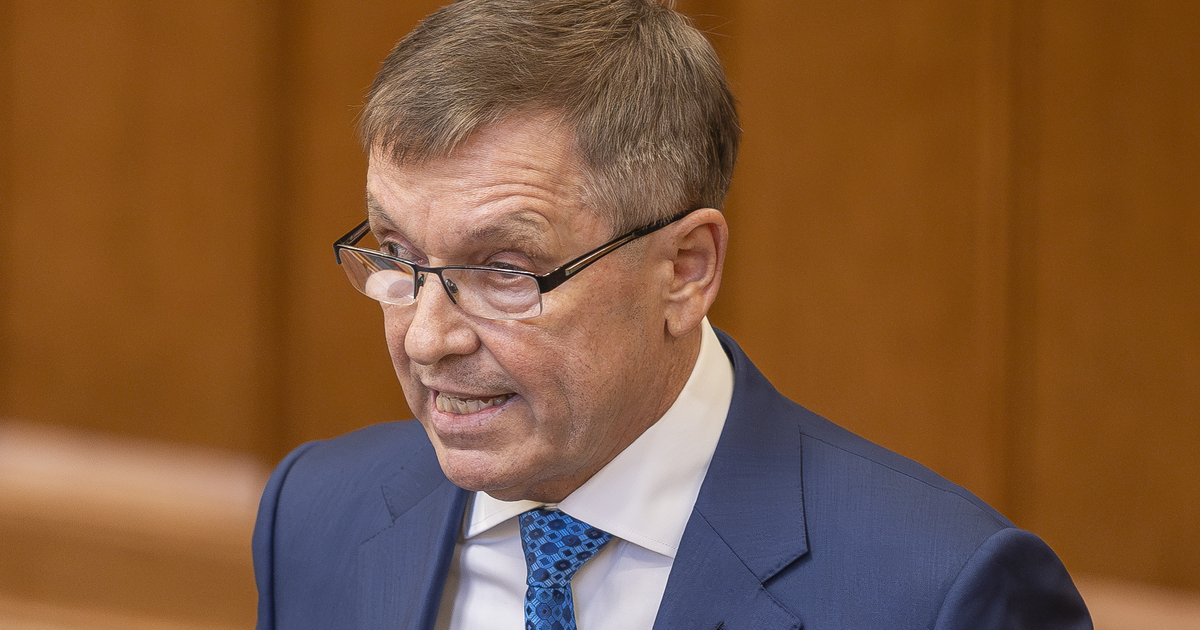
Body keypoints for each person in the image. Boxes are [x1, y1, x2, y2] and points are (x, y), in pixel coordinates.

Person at [252, 1, 1093, 629]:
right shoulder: (314, 515)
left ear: (685, 270)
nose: (428, 337)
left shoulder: (938, 595)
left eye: (504, 270)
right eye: (398, 255)